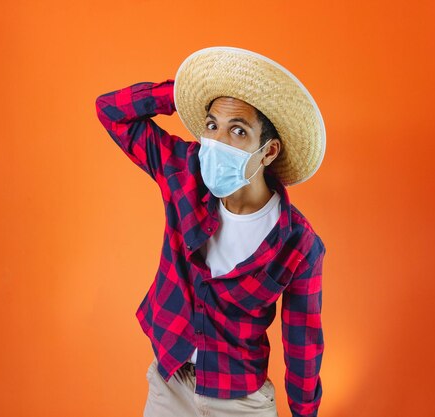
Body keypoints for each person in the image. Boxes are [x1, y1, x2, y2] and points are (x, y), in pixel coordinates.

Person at [95, 46, 327, 417]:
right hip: (170, 384)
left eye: (238, 131)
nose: (217, 142)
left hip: (240, 400)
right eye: (211, 125)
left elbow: (302, 344)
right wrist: (179, 92)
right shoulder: (184, 172)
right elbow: (110, 111)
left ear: (268, 152)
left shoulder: (299, 244)